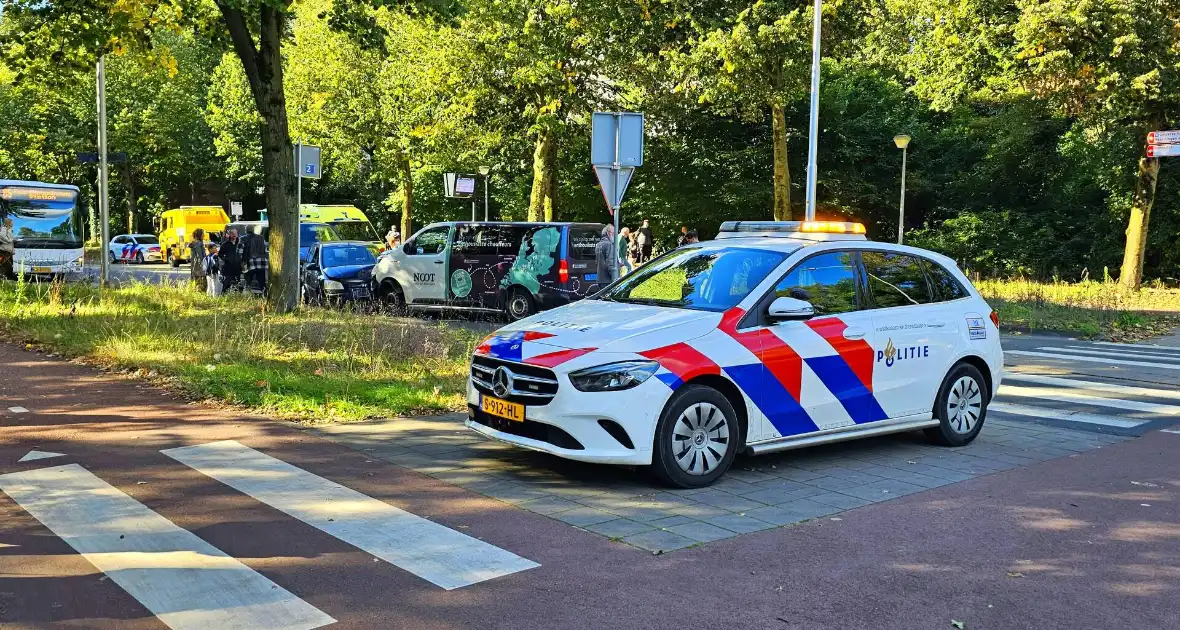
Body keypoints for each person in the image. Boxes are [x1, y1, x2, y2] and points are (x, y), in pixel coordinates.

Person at [239, 229, 268, 295]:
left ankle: (246, 295)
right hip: (262, 262)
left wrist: (240, 261)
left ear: (246, 230)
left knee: (248, 281)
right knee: (262, 281)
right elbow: (265, 250)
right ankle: (265, 294)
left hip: (250, 263)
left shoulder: (243, 238)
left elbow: (240, 251)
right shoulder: (261, 237)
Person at [218, 228, 242, 293]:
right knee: (226, 285)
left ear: (237, 234)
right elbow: (220, 254)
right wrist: (226, 259)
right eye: (232, 234)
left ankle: (237, 299)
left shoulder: (240, 244)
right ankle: (223, 299)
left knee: (237, 286)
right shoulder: (225, 244)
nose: (234, 235)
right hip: (228, 268)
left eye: (235, 234)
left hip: (238, 268)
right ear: (230, 235)